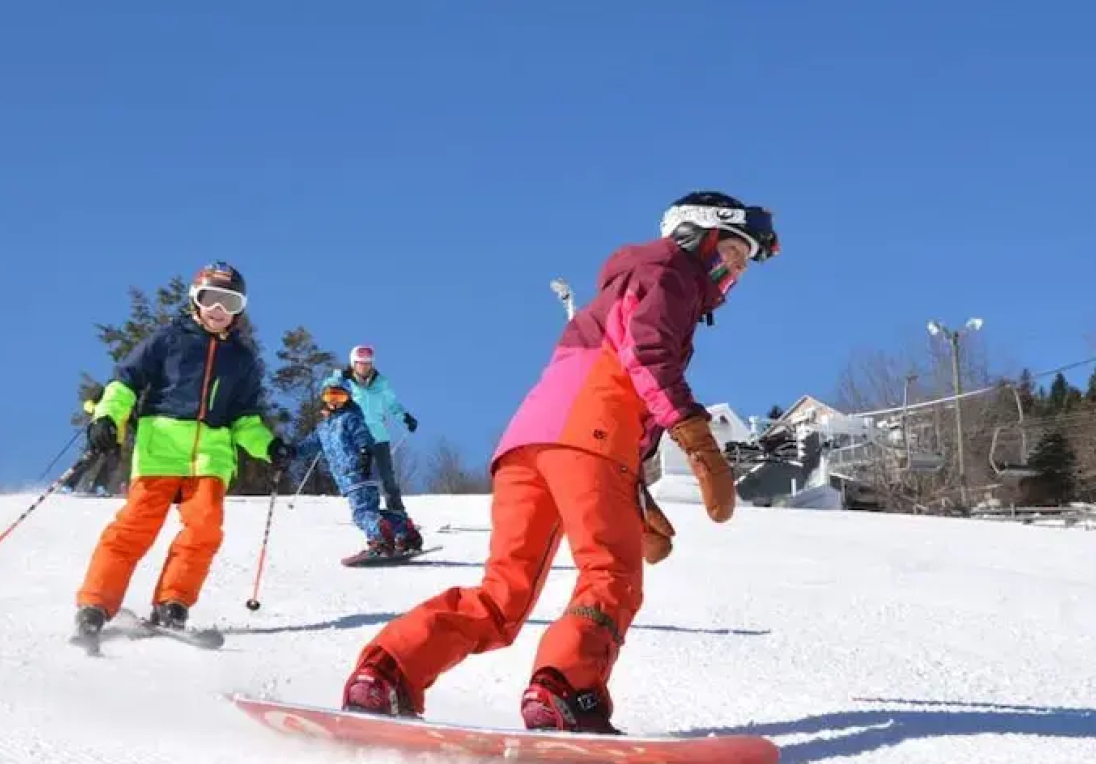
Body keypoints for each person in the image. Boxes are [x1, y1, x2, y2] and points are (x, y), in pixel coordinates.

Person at [339, 191, 779, 733]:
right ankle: (566, 687)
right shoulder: (671, 273)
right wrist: (696, 439)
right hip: (592, 439)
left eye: (743, 264)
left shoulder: (625, 285)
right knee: (611, 575)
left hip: (526, 445)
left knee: (502, 595)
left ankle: (388, 671)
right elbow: (647, 358)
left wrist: (633, 491)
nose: (735, 271)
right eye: (733, 252)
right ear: (699, 236)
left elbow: (608, 376)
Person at [73, 262, 290, 639]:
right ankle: (95, 604)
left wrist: (268, 446)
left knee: (204, 528)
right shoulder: (167, 340)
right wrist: (107, 417)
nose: (218, 309)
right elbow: (126, 382)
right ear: (195, 300)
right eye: (211, 299)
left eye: (229, 302)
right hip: (161, 448)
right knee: (135, 527)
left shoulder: (242, 360)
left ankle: (172, 603)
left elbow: (245, 418)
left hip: (211, 456)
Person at [278, 373, 423, 559]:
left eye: (339, 397)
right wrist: (291, 452)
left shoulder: (350, 418)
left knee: (361, 514)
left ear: (348, 398)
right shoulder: (323, 428)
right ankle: (406, 531)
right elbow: (307, 447)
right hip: (351, 478)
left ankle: (380, 540)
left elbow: (364, 436)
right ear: (324, 399)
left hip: (357, 471)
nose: (335, 402)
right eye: (330, 397)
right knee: (371, 511)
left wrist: (365, 452)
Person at [343, 344, 417, 515]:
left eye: (368, 363)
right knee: (361, 476)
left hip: (379, 437)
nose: (365, 367)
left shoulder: (381, 382)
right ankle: (366, 512)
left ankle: (397, 511)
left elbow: (393, 405)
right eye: (361, 363)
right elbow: (331, 391)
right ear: (354, 364)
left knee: (387, 476)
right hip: (357, 437)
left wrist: (405, 417)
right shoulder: (345, 383)